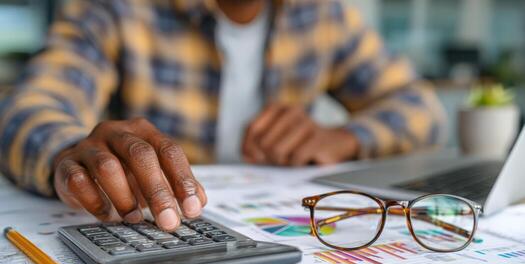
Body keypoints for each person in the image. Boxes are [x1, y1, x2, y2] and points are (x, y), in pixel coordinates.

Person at [0, 0, 446, 231]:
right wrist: (71, 154)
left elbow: (421, 106)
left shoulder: (321, 13)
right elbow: (26, 111)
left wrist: (345, 137)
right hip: (160, 229)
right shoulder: (116, 9)